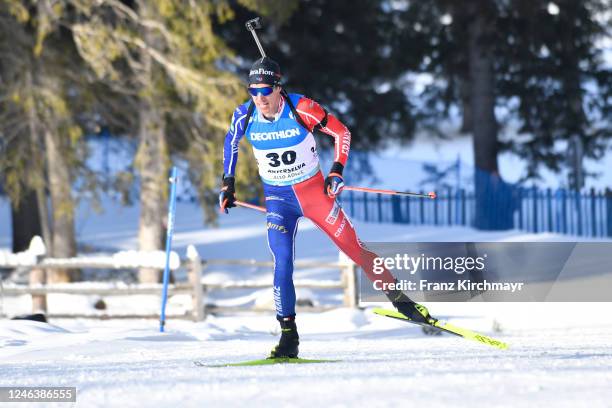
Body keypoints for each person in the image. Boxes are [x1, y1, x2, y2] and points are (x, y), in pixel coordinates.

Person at [220, 57, 434, 358]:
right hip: (279, 200)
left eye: (265, 91)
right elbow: (231, 142)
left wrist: (336, 170)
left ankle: (402, 300)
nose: (260, 98)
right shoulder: (245, 115)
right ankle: (288, 336)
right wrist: (228, 183)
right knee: (282, 264)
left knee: (355, 248)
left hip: (314, 194)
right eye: (253, 92)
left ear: (278, 88)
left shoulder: (301, 108)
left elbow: (341, 133)